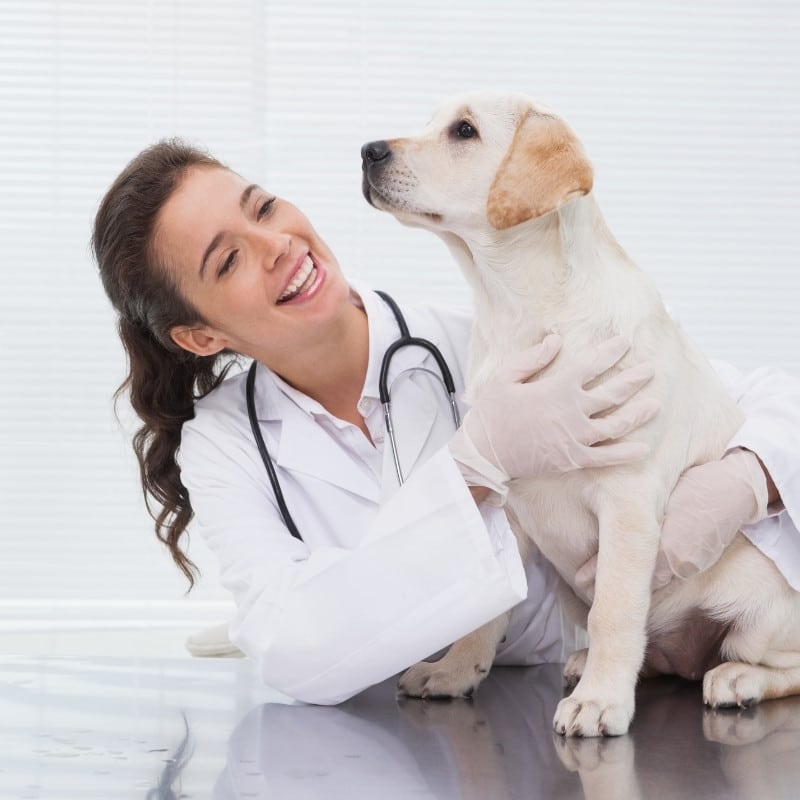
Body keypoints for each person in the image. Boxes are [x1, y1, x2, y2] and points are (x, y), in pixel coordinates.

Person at [92, 139, 800, 705]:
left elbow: (747, 393)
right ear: (201, 338)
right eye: (228, 259)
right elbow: (292, 647)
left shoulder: (495, 334)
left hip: (592, 689)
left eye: (264, 207)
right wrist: (473, 465)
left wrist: (749, 475)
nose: (276, 243)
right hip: (431, 733)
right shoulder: (223, 443)